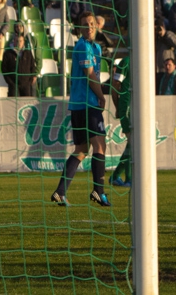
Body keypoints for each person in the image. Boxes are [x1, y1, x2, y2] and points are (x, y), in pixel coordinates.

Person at [51, 12, 110, 207]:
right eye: (85, 25)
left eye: (92, 24)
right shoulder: (83, 46)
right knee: (100, 146)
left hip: (78, 106)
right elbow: (89, 74)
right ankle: (98, 191)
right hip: (87, 104)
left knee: (82, 150)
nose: (89, 27)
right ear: (80, 29)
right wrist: (101, 96)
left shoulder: (96, 47)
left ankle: (60, 192)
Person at [110, 55, 132, 188]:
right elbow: (115, 85)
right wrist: (117, 106)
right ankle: (128, 179)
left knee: (133, 144)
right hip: (127, 107)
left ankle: (116, 176)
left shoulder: (146, 59)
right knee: (133, 143)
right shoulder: (126, 61)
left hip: (140, 107)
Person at [2, 33, 37, 97]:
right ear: (14, 41)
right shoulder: (8, 54)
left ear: (23, 42)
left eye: (20, 41)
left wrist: (32, 77)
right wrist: (10, 83)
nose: (19, 43)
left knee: (26, 105)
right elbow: (4, 69)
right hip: (13, 85)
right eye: (17, 41)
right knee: (13, 105)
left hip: (26, 84)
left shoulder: (28, 53)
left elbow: (32, 66)